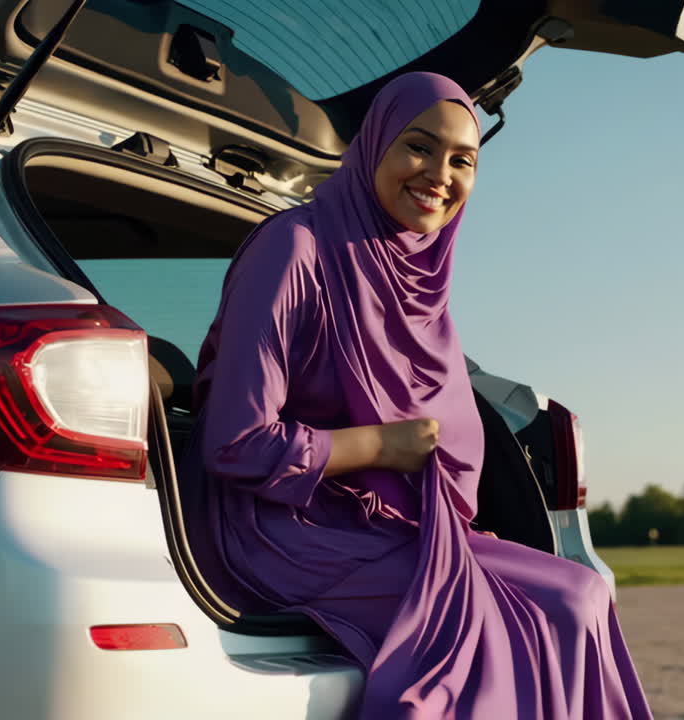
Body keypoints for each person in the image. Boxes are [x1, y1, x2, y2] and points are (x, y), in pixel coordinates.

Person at [179, 72, 652, 719]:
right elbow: (235, 444)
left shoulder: (418, 277)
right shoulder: (294, 249)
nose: (440, 173)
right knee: (533, 615)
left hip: (395, 527)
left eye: (464, 160)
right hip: (285, 529)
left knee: (582, 594)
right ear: (375, 144)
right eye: (419, 147)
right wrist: (380, 445)